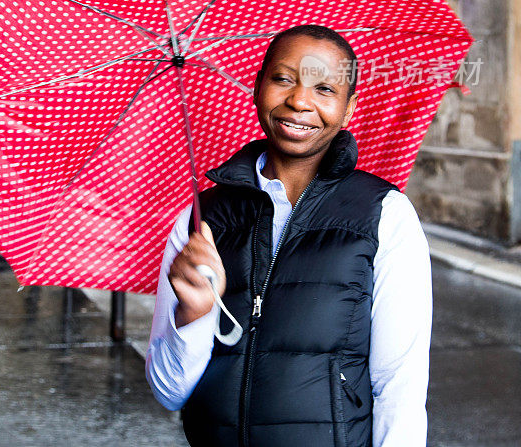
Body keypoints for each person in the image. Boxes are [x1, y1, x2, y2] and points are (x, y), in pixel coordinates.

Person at [145, 24, 432, 447]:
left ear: (348, 109)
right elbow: (169, 392)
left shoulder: (384, 216)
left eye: (325, 89)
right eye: (283, 79)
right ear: (258, 87)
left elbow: (400, 389)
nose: (299, 101)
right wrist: (194, 315)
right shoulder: (203, 218)